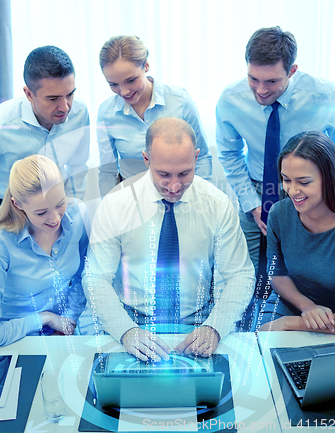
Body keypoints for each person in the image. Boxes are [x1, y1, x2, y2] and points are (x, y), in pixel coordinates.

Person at [84, 118, 255, 361]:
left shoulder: (217, 204)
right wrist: (126, 331)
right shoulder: (116, 203)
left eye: (184, 173)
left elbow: (240, 275)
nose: (174, 186)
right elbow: (95, 278)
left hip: (198, 322)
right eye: (163, 174)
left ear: (196, 158)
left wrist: (214, 326)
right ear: (146, 159)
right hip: (131, 322)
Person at [215, 26, 335, 271]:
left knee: (307, 271)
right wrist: (252, 203)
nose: (260, 89)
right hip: (258, 190)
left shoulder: (326, 96)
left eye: (271, 81)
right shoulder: (230, 99)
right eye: (253, 79)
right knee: (248, 271)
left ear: (292, 70)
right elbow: (229, 153)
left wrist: (334, 195)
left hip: (314, 192)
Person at [0, 45, 90, 250]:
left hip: (56, 211)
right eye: (53, 98)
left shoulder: (80, 112)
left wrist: (74, 210)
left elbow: (78, 165)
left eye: (70, 94)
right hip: (8, 214)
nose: (65, 107)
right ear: (29, 94)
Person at [0, 155, 89, 351]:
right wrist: (45, 319)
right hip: (12, 341)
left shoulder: (78, 216)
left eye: (60, 203)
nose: (55, 219)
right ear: (17, 204)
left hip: (60, 337)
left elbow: (81, 276)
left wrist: (68, 318)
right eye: (41, 212)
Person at [258, 132, 335, 335]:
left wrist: (292, 323)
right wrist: (307, 307)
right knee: (262, 346)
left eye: (303, 182)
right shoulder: (279, 213)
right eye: (286, 180)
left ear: (329, 178)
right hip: (290, 301)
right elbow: (277, 274)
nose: (292, 191)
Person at [97, 35, 212, 196]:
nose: (123, 91)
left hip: (182, 195)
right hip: (135, 201)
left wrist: (201, 199)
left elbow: (202, 156)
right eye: (113, 84)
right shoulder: (106, 113)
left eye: (130, 80)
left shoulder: (180, 101)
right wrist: (107, 209)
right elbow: (108, 171)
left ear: (146, 66)